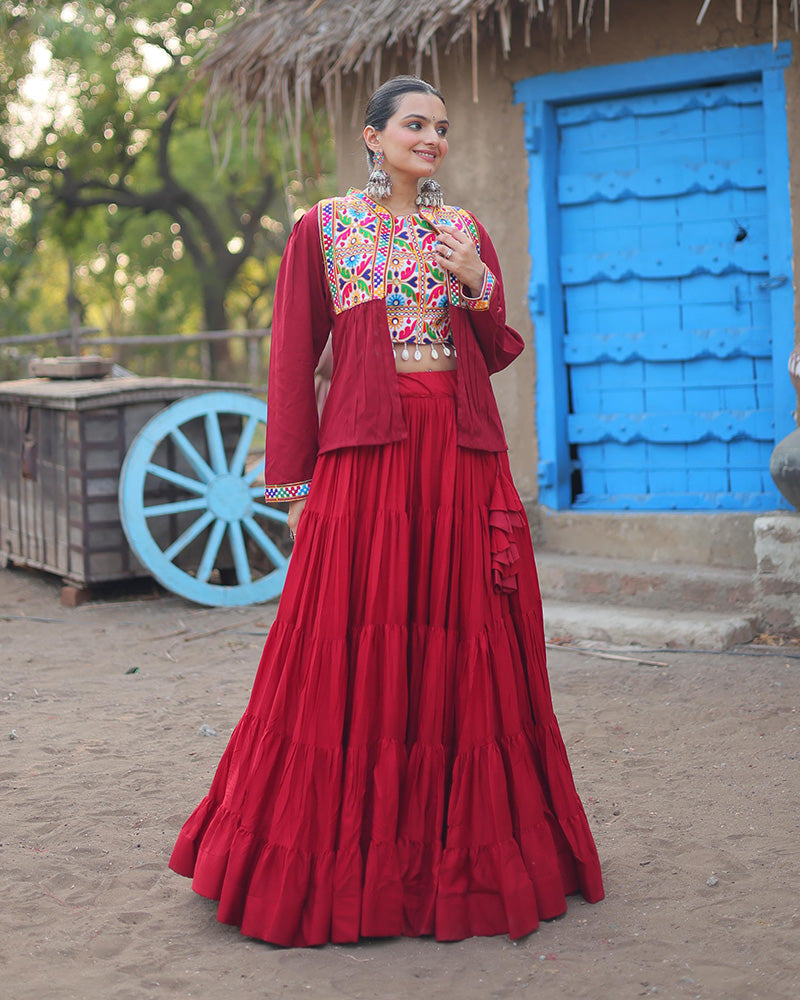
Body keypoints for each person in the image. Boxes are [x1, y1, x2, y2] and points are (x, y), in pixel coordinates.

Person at [169, 75, 604, 947]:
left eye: (441, 127)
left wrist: (479, 281)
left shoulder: (464, 231)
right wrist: (292, 490)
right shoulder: (324, 228)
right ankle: (343, 869)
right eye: (415, 124)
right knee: (354, 644)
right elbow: (294, 358)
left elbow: (495, 348)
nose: (432, 138)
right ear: (373, 137)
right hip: (367, 460)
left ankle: (458, 861)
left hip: (460, 458)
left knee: (465, 645)